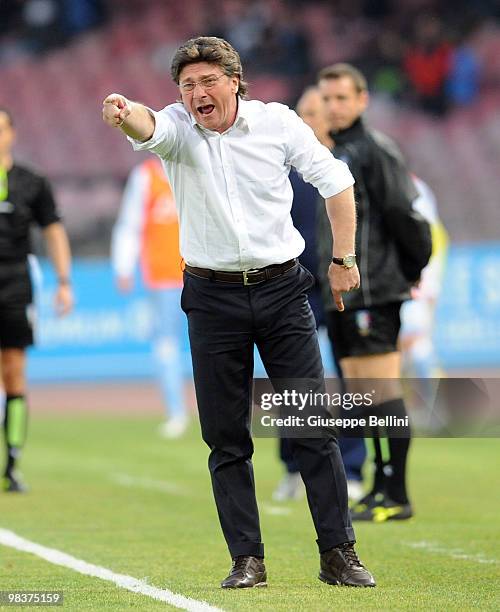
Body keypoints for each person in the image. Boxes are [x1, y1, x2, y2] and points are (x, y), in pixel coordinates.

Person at [102, 36, 375, 588]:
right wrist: (125, 112)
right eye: (187, 85)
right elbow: (148, 125)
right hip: (211, 297)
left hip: (282, 292)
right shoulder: (179, 129)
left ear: (234, 80)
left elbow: (337, 181)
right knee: (225, 436)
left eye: (207, 82)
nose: (198, 93)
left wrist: (344, 257)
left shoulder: (278, 124)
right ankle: (247, 558)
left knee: (310, 425)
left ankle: (339, 553)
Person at [317, 64, 432, 522]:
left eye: (342, 98)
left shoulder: (375, 150)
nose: (333, 106)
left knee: (382, 392)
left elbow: (406, 214)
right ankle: (378, 487)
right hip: (344, 295)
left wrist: (409, 269)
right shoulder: (336, 151)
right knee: (361, 395)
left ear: (362, 100)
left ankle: (396, 493)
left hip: (375, 290)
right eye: (327, 99)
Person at [0, 107, 73, 492]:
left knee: (13, 372)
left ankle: (12, 462)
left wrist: (64, 281)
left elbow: (54, 231)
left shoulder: (32, 181)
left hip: (14, 286)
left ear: (12, 133)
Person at [111, 156, 190, 439]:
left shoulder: (194, 167)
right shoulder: (146, 177)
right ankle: (176, 411)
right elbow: (130, 223)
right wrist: (123, 265)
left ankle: (219, 410)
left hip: (204, 275)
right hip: (163, 278)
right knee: (166, 344)